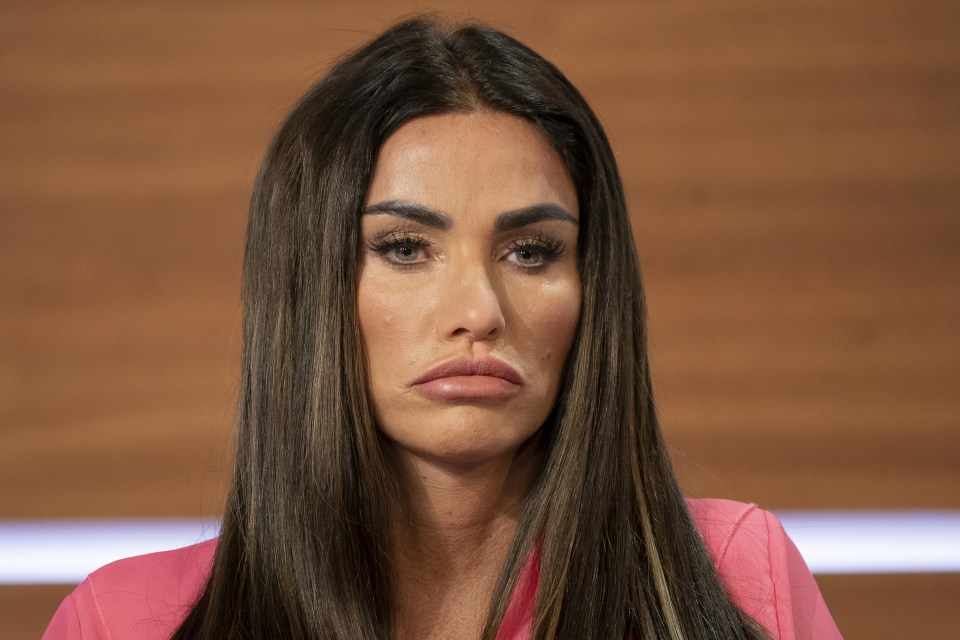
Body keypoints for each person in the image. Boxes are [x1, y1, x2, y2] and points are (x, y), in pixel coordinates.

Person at [43, 16, 841, 640]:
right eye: (404, 248)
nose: (480, 310)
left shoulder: (738, 574)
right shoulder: (124, 620)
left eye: (531, 252)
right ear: (308, 288)